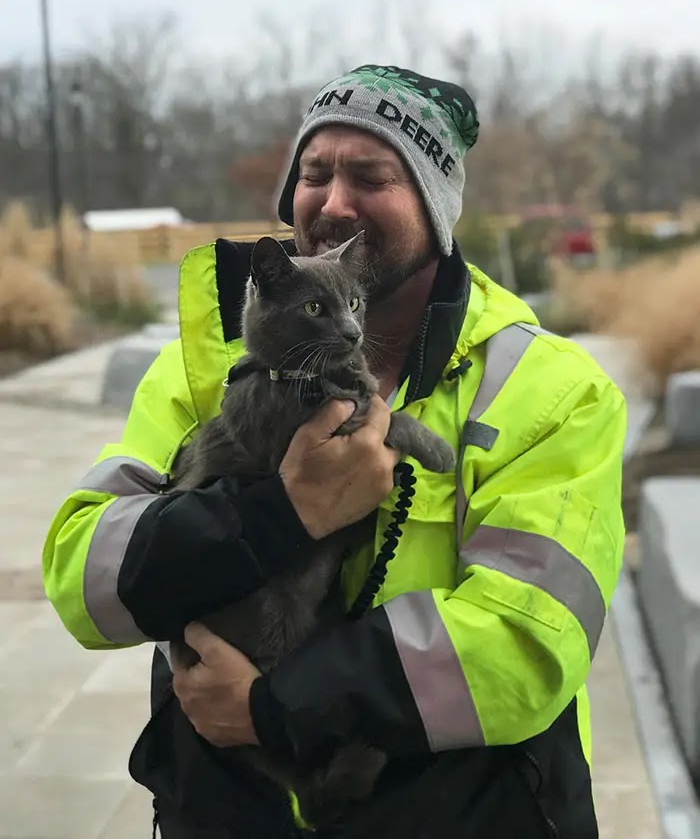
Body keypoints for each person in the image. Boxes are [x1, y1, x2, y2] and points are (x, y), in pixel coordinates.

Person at [43, 64, 626, 838]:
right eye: (313, 173)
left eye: (372, 174)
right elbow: (86, 576)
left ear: (436, 203)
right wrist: (273, 515)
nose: (332, 201)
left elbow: (531, 640)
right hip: (225, 814)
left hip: (456, 814)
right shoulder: (208, 364)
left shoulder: (552, 388)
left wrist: (274, 709)